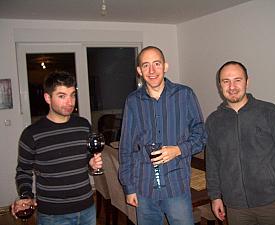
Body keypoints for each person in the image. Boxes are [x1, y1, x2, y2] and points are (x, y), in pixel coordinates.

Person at [118, 46, 207, 225]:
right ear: (139, 71)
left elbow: (201, 135)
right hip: (144, 188)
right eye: (146, 65)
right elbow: (126, 146)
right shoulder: (133, 101)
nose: (152, 71)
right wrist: (129, 187)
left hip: (176, 186)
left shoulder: (185, 95)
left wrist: (179, 150)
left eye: (156, 64)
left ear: (165, 66)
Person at [205, 61, 275, 225]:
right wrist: (215, 197)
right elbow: (212, 162)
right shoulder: (213, 121)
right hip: (236, 207)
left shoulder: (269, 112)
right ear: (220, 85)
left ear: (247, 82)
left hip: (273, 203)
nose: (232, 86)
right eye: (226, 81)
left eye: (238, 80)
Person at [11, 71, 102, 225]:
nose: (70, 102)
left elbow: (86, 162)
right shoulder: (31, 134)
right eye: (62, 96)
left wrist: (91, 166)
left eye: (72, 95)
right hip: (53, 215)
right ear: (48, 98)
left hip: (87, 208)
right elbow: (23, 171)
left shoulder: (83, 126)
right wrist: (26, 196)